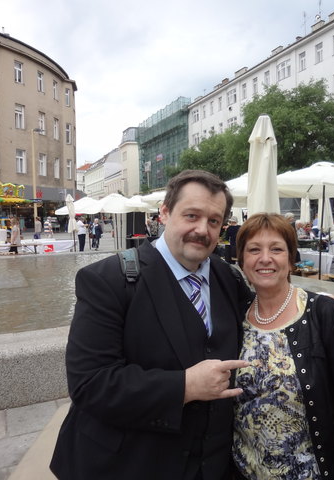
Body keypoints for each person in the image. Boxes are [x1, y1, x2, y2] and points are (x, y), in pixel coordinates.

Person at [50, 170, 253, 479]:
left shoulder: (227, 278)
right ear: (165, 212)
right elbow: (90, 384)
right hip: (129, 465)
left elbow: (264, 310)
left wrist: (313, 303)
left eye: (214, 221)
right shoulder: (108, 280)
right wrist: (184, 386)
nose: (202, 230)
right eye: (191, 215)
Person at [234, 213, 334, 479]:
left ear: (290, 258)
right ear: (242, 261)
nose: (265, 258)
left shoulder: (326, 314)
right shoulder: (235, 316)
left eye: (276, 248)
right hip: (244, 469)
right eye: (254, 250)